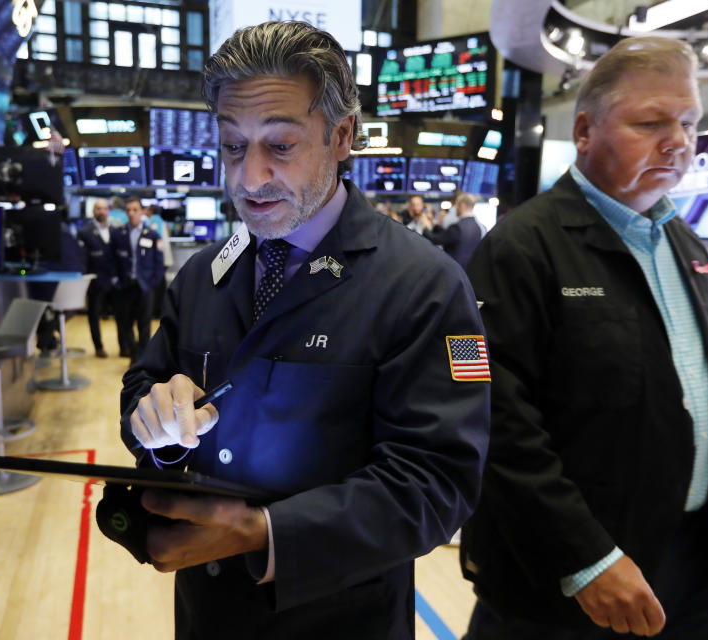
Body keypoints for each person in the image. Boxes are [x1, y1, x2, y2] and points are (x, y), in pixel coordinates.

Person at [118, 21, 489, 639]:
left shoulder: (424, 285)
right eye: (234, 146)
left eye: (281, 146)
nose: (249, 177)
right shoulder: (204, 273)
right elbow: (145, 380)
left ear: (342, 136)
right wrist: (156, 422)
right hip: (208, 615)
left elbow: (438, 480)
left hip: (342, 616)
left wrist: (267, 534)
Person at [460, 36, 708, 639]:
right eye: (651, 122)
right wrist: (586, 557)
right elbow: (490, 415)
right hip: (567, 582)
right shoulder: (519, 248)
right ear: (585, 131)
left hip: (694, 564)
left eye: (690, 122)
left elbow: (686, 358)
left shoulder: (683, 241)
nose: (680, 142)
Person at [112, 197, 166, 361]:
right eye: (128, 210)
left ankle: (142, 358)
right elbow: (111, 259)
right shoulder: (118, 234)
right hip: (125, 285)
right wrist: (115, 280)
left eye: (135, 210)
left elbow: (159, 262)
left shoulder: (152, 235)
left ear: (142, 212)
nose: (131, 213)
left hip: (145, 286)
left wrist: (153, 283)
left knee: (145, 324)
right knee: (125, 324)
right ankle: (134, 355)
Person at [78, 198, 118, 358]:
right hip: (95, 280)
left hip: (115, 279)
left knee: (122, 315)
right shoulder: (85, 232)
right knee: (94, 314)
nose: (101, 211)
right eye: (98, 208)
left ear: (108, 210)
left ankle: (125, 346)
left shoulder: (116, 231)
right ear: (93, 211)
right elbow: (81, 258)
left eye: (104, 208)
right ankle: (98, 347)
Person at [421, 193, 483, 268]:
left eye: (456, 206)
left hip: (454, 269)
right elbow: (447, 235)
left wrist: (425, 227)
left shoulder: (457, 227)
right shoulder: (478, 227)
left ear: (462, 206)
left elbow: (435, 239)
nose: (455, 208)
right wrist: (434, 225)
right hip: (469, 269)